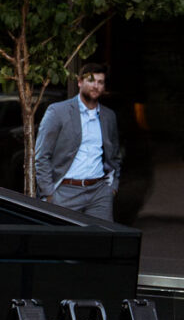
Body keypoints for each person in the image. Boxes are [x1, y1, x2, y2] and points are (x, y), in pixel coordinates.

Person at [33, 63, 122, 221]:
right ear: (80, 82)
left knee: (102, 241)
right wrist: (49, 193)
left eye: (100, 82)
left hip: (99, 193)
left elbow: (114, 156)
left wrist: (112, 188)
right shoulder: (58, 111)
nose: (96, 86)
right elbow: (41, 155)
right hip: (65, 192)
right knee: (63, 243)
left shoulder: (109, 116)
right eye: (91, 80)